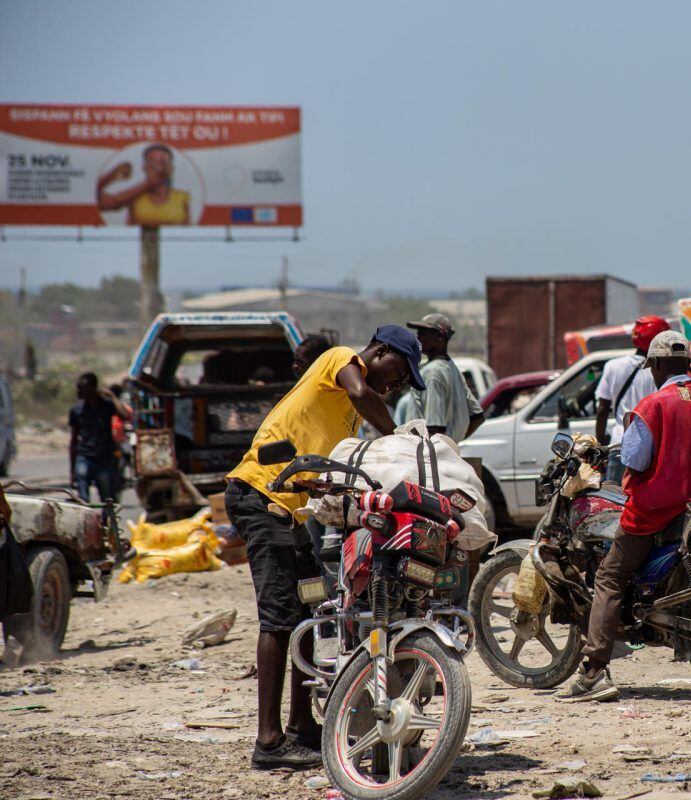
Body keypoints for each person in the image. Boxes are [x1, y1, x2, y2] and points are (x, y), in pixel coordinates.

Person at [225, 326, 422, 770]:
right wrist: (397, 437)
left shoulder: (349, 417)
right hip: (260, 497)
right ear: (383, 351)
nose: (398, 384)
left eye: (405, 382)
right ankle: (269, 742)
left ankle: (302, 728)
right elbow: (363, 393)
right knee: (279, 619)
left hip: (291, 512)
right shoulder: (341, 360)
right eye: (401, 372)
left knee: (314, 613)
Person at [559, 331, 691, 702]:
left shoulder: (651, 406)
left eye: (652, 368)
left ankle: (594, 672)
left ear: (656, 366)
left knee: (609, 577)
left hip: (658, 511)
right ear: (687, 363)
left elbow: (634, 460)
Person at [595, 316, 671, 482]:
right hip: (651, 449)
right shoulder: (662, 370)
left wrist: (600, 446)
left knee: (616, 502)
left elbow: (602, 410)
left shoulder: (612, 366)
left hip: (619, 445)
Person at [397, 314, 484, 442]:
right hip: (442, 454)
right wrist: (452, 445)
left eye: (423, 334)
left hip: (426, 456)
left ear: (440, 337)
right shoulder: (452, 368)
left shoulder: (432, 373)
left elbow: (434, 429)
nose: (418, 338)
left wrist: (441, 448)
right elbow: (477, 416)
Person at [69, 373, 131, 502]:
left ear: (93, 388)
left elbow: (124, 414)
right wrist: (72, 469)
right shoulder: (77, 410)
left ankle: (105, 521)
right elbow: (74, 440)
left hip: (104, 459)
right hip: (84, 456)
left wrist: (112, 396)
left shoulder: (107, 406)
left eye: (82, 388)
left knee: (107, 498)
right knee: (83, 499)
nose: (78, 391)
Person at [96, 144, 191, 226]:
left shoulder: (181, 197)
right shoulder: (135, 197)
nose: (158, 167)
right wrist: (111, 176)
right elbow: (101, 201)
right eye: (153, 162)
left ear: (171, 168)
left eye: (162, 162)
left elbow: (189, 232)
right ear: (144, 167)